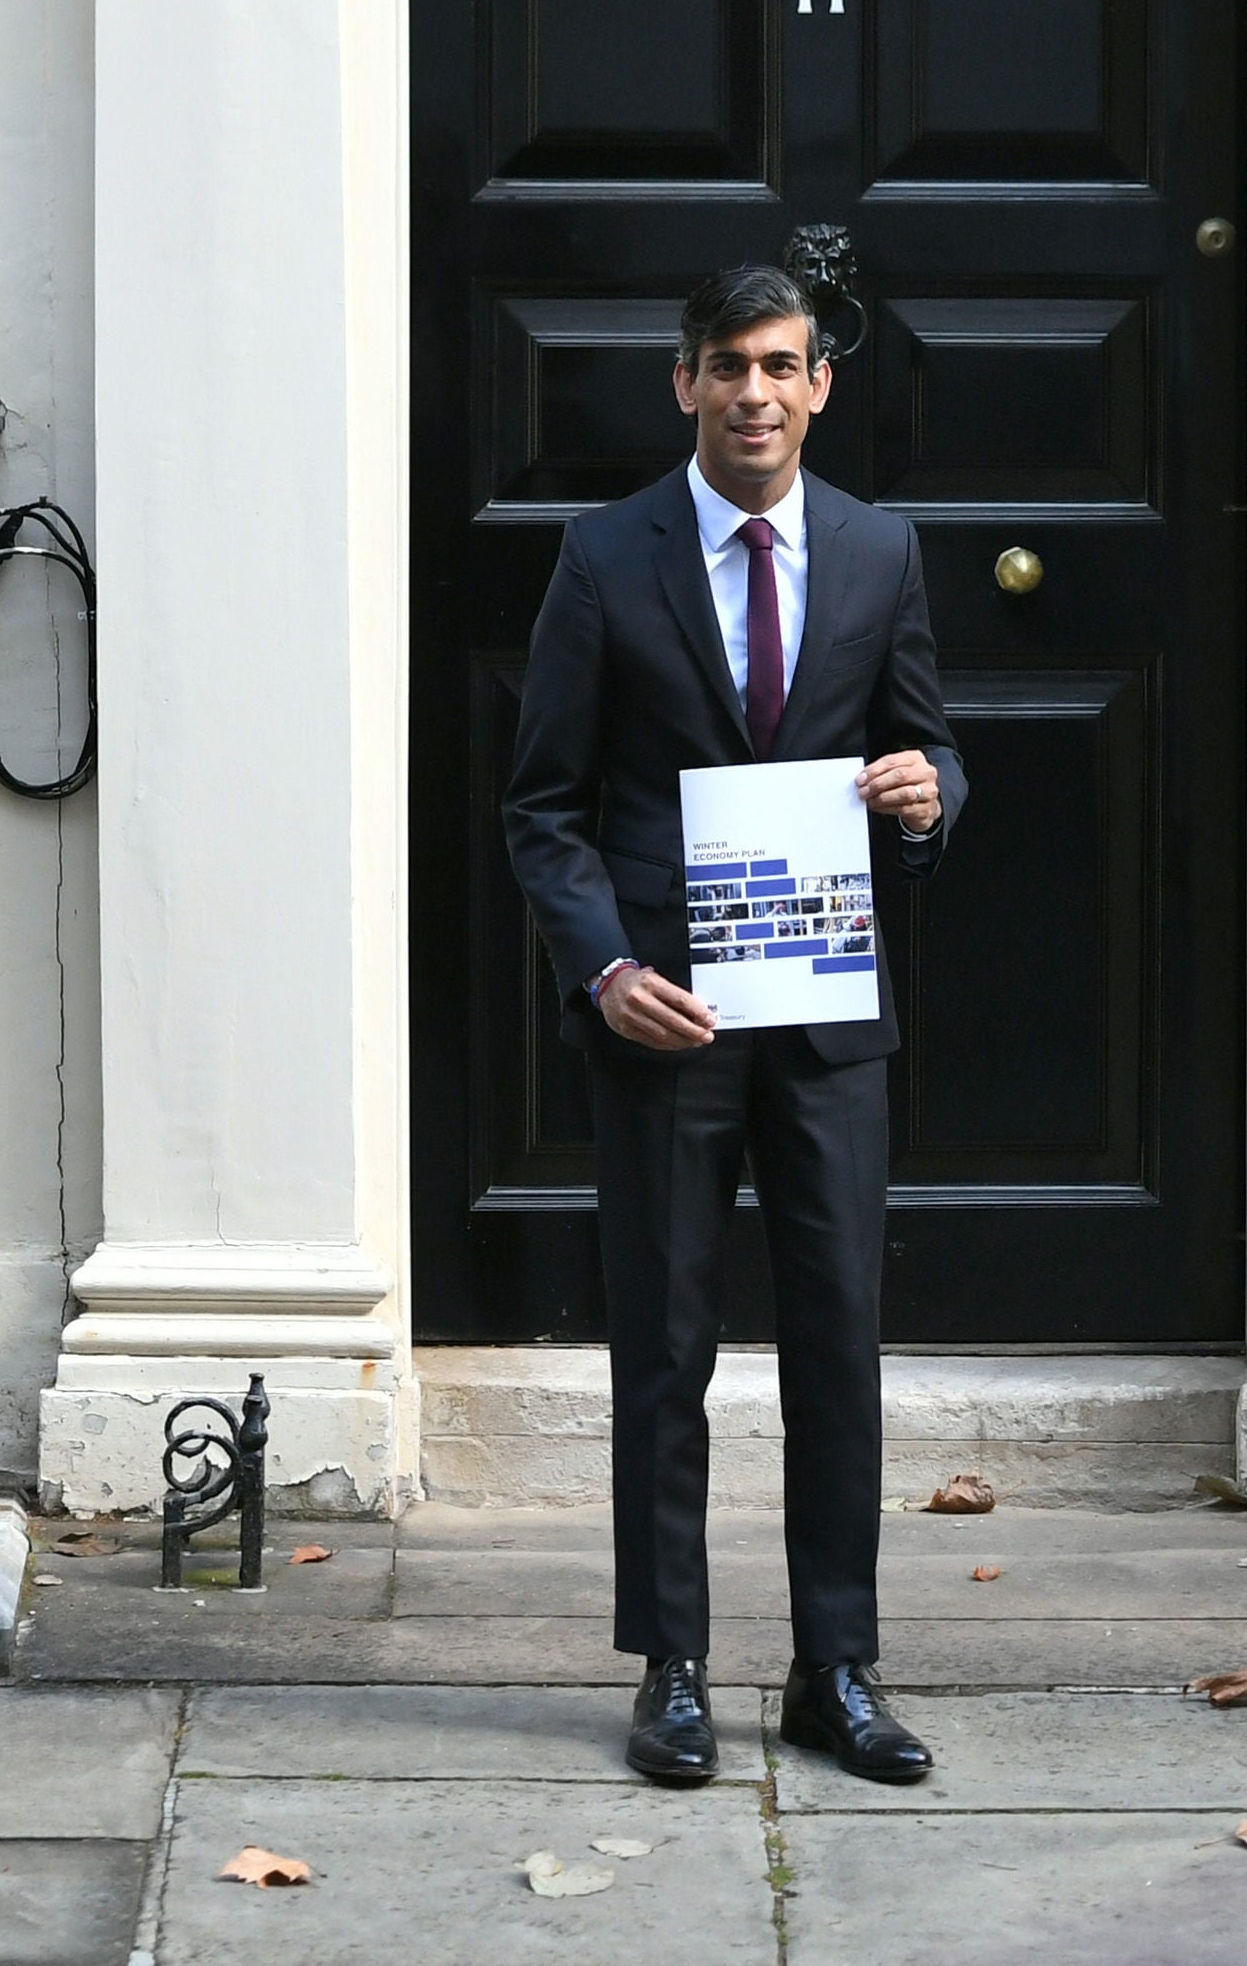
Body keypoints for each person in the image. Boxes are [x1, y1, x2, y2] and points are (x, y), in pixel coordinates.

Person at [504, 264, 967, 1789]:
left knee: (839, 1342)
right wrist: (599, 971)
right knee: (666, 1346)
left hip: (828, 1021)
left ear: (819, 384)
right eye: (729, 365)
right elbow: (544, 807)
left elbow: (933, 750)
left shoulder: (883, 550)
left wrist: (926, 794)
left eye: (783, 365)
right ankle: (675, 1665)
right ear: (684, 381)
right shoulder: (603, 555)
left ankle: (835, 1665)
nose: (757, 392)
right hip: (669, 1023)